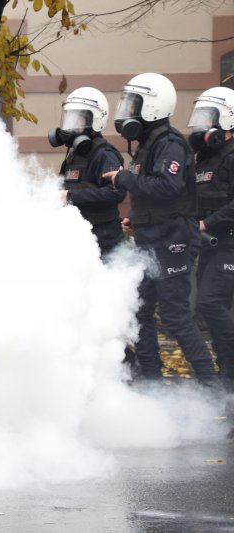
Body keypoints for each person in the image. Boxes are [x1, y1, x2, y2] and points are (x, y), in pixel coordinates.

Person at [103, 73, 218, 385]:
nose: (127, 109)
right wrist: (137, 219)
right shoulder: (147, 146)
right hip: (151, 238)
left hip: (173, 241)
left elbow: (167, 186)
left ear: (153, 106)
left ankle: (212, 390)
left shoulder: (170, 144)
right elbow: (152, 192)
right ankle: (153, 387)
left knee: (177, 317)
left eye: (132, 103)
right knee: (140, 314)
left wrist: (123, 178)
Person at [190, 87, 234, 390]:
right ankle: (226, 376)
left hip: (229, 244)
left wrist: (208, 223)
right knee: (208, 308)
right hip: (209, 247)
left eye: (209, 117)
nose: (202, 123)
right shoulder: (204, 159)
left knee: (209, 303)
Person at [51, 87, 126, 256]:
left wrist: (71, 196)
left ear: (95, 120)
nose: (70, 125)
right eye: (69, 118)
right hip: (81, 239)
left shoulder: (104, 154)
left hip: (104, 242)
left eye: (76, 119)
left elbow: (117, 192)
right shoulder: (74, 155)